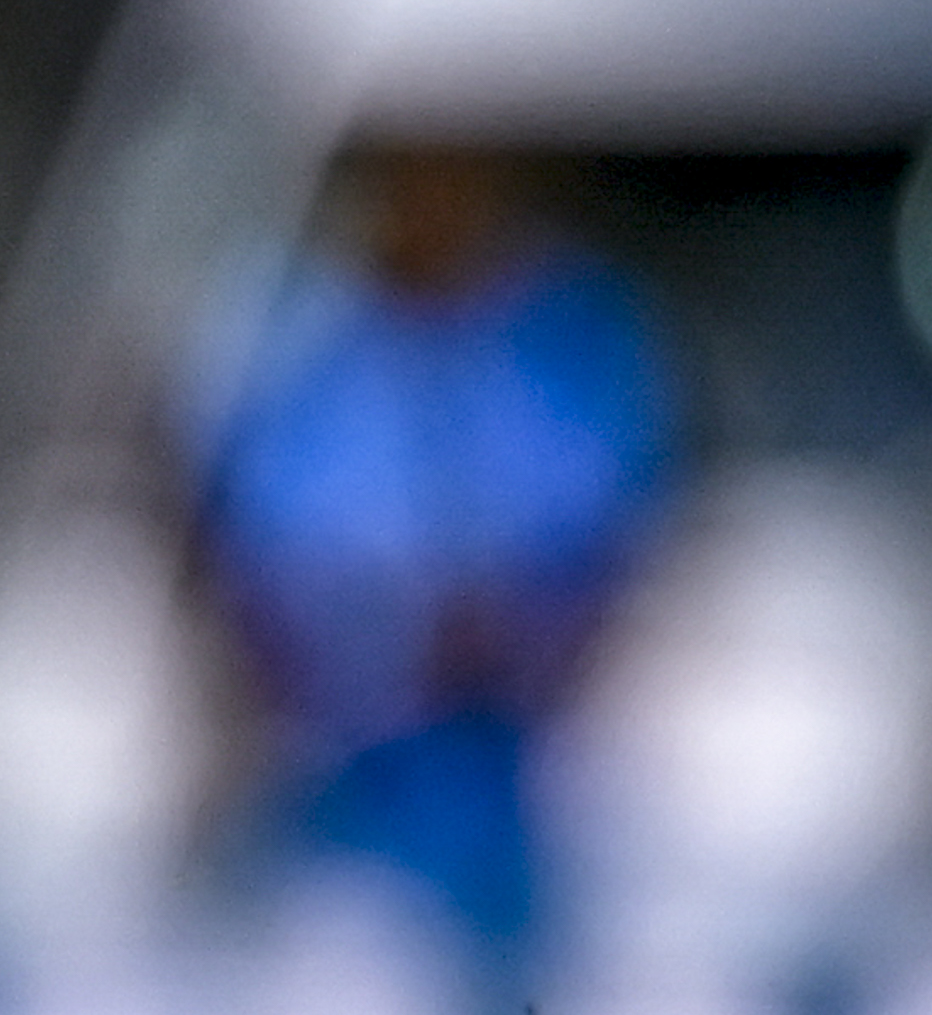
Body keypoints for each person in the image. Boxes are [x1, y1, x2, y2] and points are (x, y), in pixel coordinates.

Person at [180, 137, 670, 942]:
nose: (431, 205)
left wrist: (519, 636)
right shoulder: (289, 341)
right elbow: (237, 546)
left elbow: (616, 537)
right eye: (406, 181)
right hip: (321, 768)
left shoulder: (572, 342)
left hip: (524, 780)